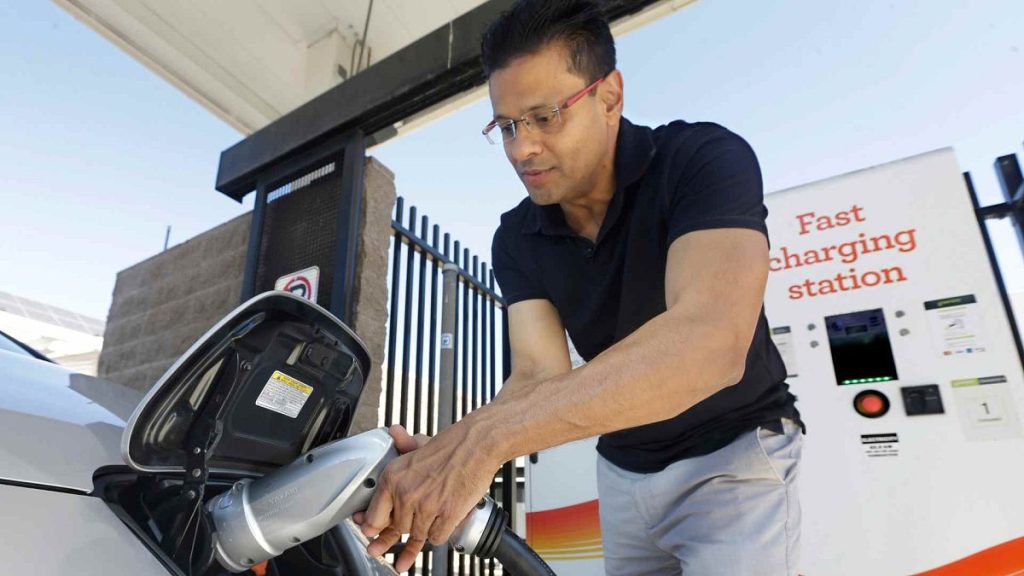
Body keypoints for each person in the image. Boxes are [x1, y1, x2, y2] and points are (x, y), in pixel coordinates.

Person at [355, 1, 803, 573]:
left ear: (610, 96)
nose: (522, 149)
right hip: (622, 469)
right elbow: (539, 376)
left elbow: (709, 345)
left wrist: (484, 444)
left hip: (734, 454)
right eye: (508, 126)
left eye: (545, 116)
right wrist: (445, 453)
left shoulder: (700, 161)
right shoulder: (517, 236)